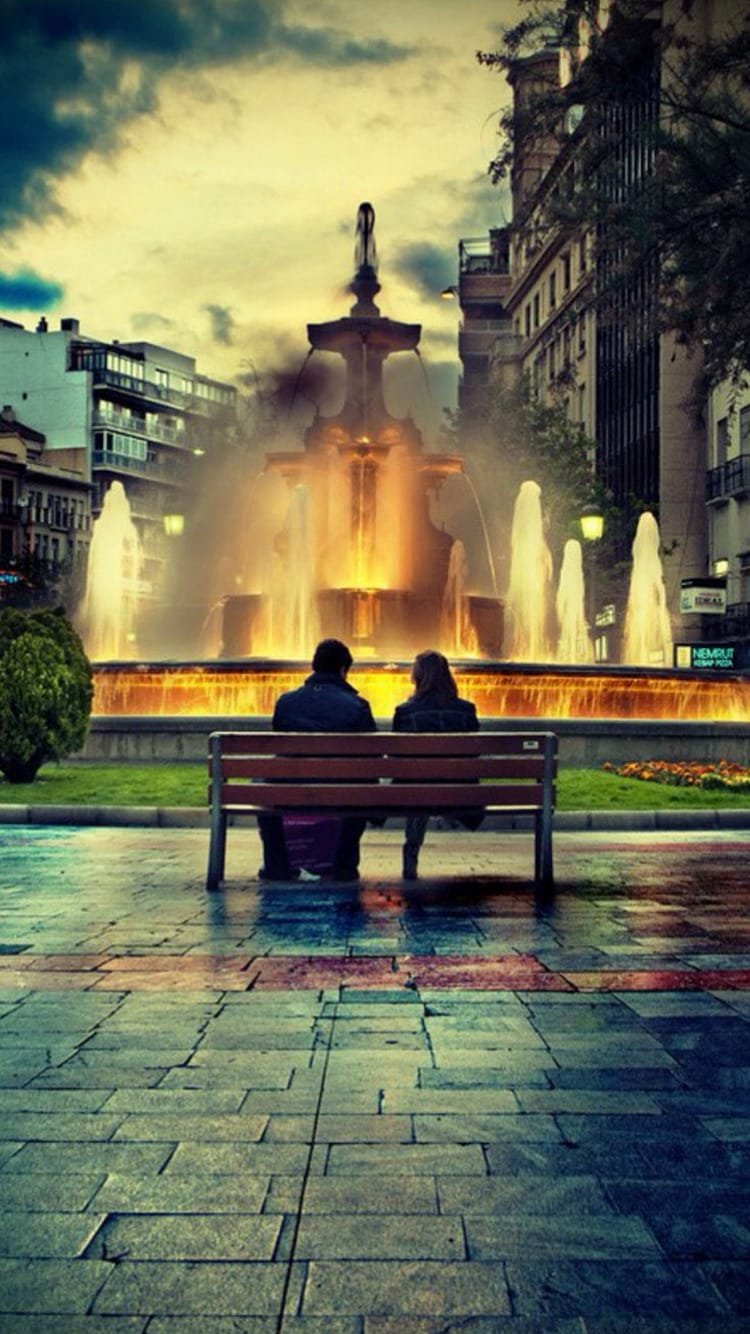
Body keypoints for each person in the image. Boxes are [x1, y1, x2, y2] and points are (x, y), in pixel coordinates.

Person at [257, 638, 376, 883]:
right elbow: (371, 755)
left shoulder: (286, 703)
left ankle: (277, 865)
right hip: (343, 791)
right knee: (363, 785)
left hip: (290, 789)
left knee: (262, 786)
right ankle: (344, 865)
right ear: (343, 670)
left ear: (314, 666)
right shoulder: (358, 706)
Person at [392, 649, 482, 880]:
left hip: (417, 792)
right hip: (460, 791)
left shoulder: (405, 712)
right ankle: (453, 815)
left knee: (419, 785)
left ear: (417, 678)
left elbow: (396, 758)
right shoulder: (466, 710)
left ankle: (411, 852)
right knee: (433, 784)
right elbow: (474, 754)